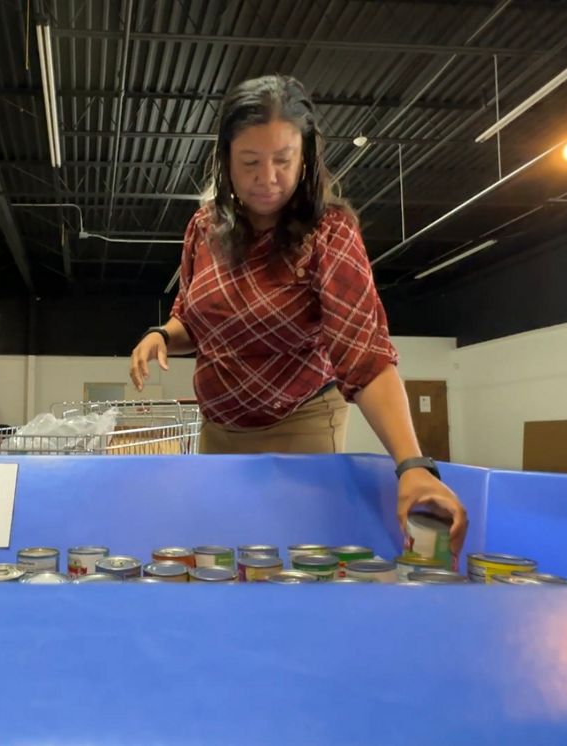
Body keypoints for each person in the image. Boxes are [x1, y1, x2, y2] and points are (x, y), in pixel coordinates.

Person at [128, 74, 467, 554]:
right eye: (249, 163)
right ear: (225, 160)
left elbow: (364, 355)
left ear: (304, 157)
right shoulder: (203, 228)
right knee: (222, 560)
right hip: (218, 433)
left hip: (299, 427)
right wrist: (162, 333)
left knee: (295, 562)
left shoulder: (330, 232)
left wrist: (412, 465)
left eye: (283, 161)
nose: (267, 179)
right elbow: (195, 322)